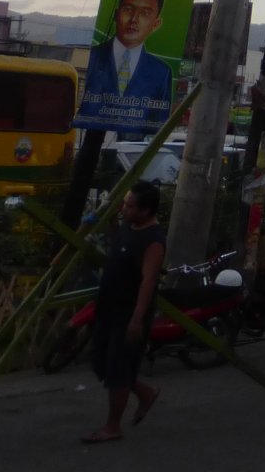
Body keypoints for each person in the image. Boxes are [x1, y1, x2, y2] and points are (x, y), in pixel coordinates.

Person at [82, 180, 165, 444]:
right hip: (108, 306)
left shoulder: (153, 241)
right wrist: (109, 221)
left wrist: (137, 319)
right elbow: (118, 243)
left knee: (118, 369)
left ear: (145, 210)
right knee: (100, 362)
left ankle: (112, 426)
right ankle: (145, 392)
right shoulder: (129, 226)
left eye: (129, 206)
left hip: (129, 312)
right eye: (124, 204)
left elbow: (149, 281)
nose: (124, 209)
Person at [80, 0, 175, 116]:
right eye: (128, 10)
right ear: (116, 15)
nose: (134, 19)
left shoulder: (161, 73)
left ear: (155, 24)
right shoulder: (92, 58)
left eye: (145, 13)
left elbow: (159, 122)